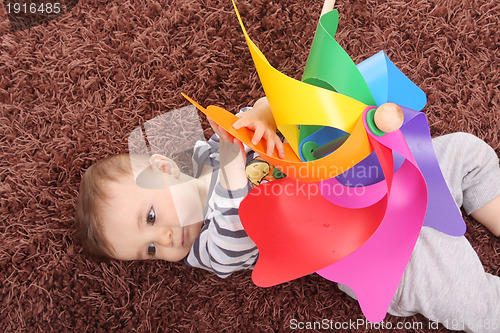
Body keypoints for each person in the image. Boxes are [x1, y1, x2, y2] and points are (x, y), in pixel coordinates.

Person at [75, 97, 500, 332]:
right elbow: (240, 230)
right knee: (447, 284)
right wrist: (232, 166)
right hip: (352, 244)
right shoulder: (205, 248)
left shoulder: (207, 148)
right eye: (149, 249)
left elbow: (271, 108)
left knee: (464, 153)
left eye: (151, 218)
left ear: (164, 167)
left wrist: (260, 116)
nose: (166, 239)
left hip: (365, 172)